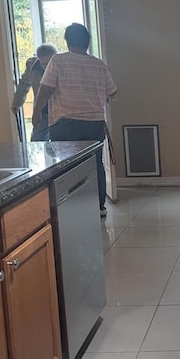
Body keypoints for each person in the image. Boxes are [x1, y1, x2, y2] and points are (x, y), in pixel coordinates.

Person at [32, 23, 117, 217]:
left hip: (65, 124)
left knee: (67, 167)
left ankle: (71, 209)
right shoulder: (99, 65)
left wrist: (36, 112)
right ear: (87, 42)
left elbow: (45, 88)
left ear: (67, 41)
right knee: (96, 164)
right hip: (95, 123)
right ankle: (99, 207)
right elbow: (113, 91)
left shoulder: (58, 61)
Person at [11, 43, 57, 141]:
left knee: (59, 143)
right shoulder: (32, 66)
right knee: (36, 140)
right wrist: (17, 103)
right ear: (38, 60)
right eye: (43, 64)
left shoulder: (62, 66)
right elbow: (24, 84)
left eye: (49, 63)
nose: (46, 67)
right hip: (41, 111)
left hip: (60, 113)